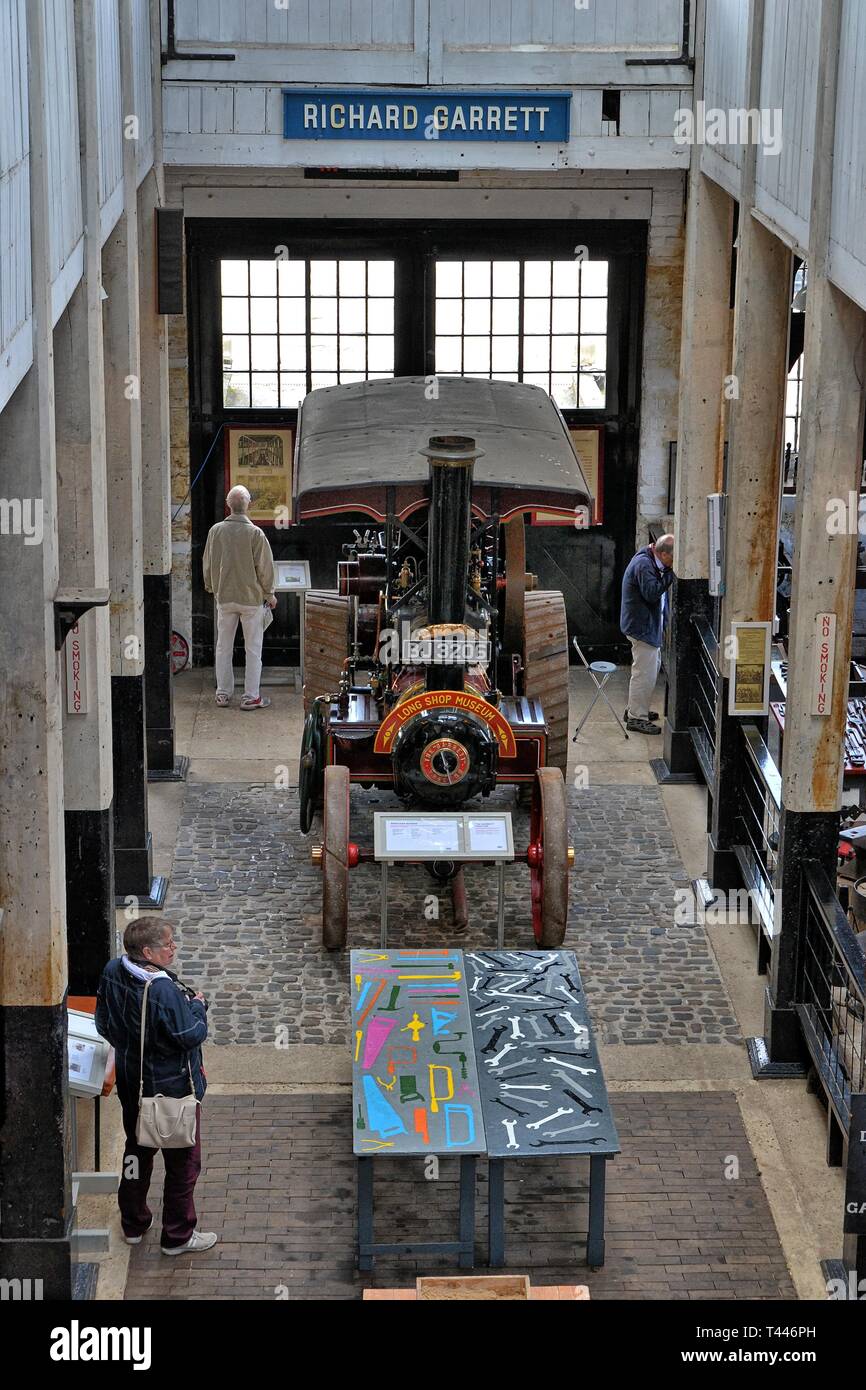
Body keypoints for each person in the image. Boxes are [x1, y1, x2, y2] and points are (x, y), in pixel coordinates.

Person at [95, 918, 217, 1255]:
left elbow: (104, 1023)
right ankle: (178, 1235)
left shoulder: (111, 971)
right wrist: (198, 1007)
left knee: (136, 1153)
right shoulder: (162, 990)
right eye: (168, 944)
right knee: (184, 1165)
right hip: (171, 1091)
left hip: (133, 1085)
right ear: (148, 951)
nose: (173, 947)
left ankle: (133, 1223)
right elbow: (188, 1035)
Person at [203, 485, 277, 710]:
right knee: (253, 648)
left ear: (228, 504)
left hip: (224, 597)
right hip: (250, 599)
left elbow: (209, 563)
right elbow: (264, 567)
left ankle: (223, 694)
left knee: (223, 646)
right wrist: (270, 593)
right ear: (249, 505)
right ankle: (251, 696)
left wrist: (210, 586)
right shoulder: (255, 534)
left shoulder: (215, 531)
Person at [620, 533, 675, 735]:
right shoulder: (644, 564)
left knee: (650, 670)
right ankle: (636, 717)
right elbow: (652, 593)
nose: (673, 563)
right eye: (672, 559)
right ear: (661, 553)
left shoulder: (650, 557)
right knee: (644, 674)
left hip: (645, 625)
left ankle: (636, 709)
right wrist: (671, 574)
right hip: (641, 627)